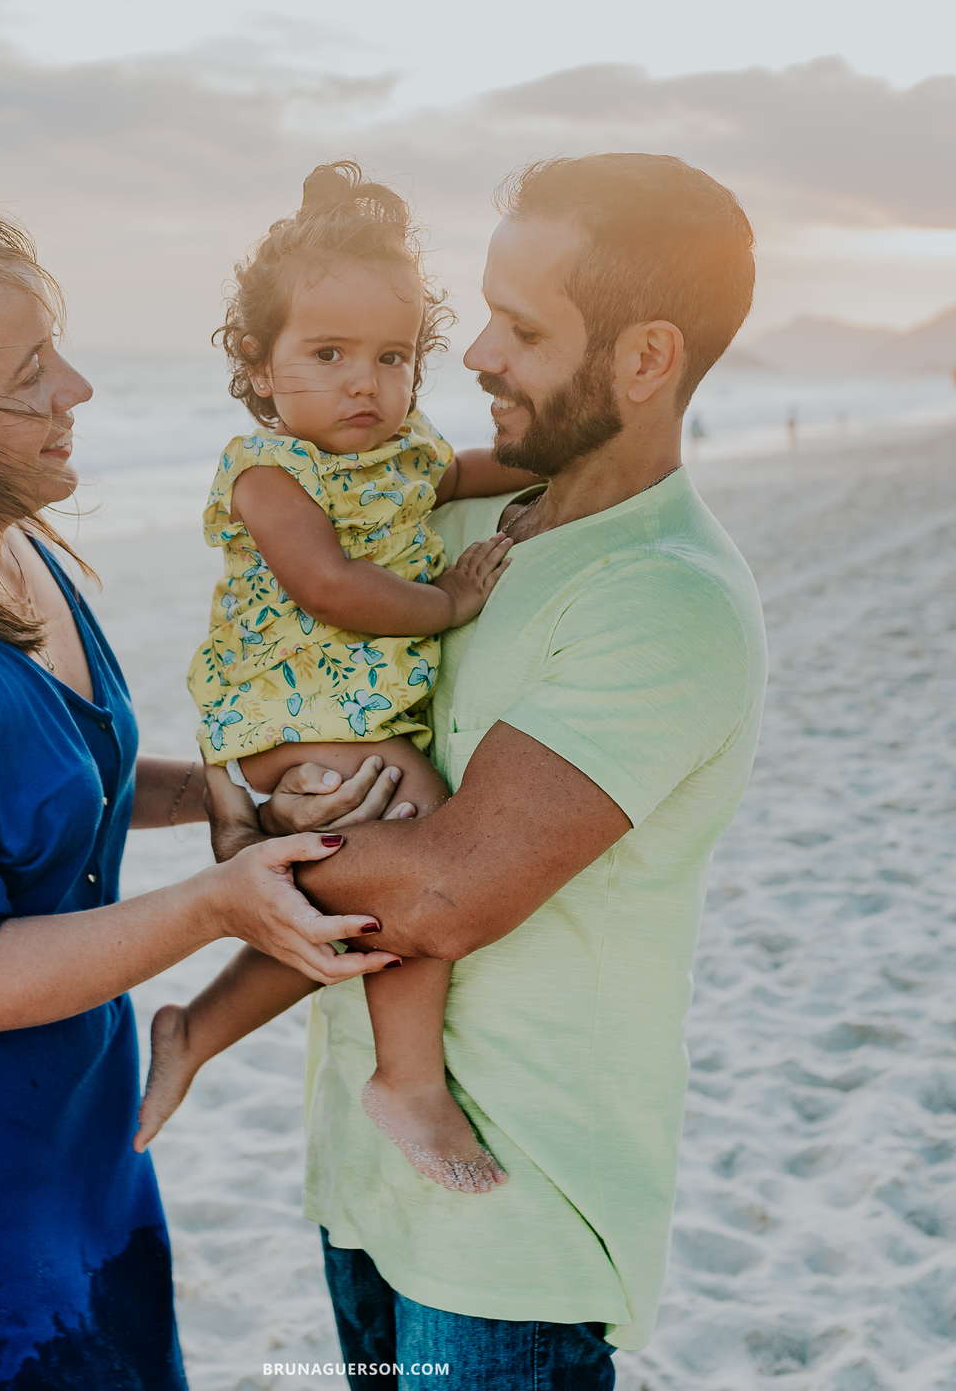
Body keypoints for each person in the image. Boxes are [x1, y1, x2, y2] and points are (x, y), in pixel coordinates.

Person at [0, 201, 399, 1391]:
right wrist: (220, 903)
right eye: (29, 373)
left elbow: (56, 786)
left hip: (67, 1142)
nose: (80, 388)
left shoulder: (15, 547)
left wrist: (237, 797)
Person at [207, 154, 768, 1388]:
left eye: (521, 329)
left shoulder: (665, 600)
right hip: (362, 1173)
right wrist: (240, 802)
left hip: (512, 1217)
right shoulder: (449, 531)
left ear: (643, 358)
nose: (473, 358)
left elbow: (447, 892)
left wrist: (247, 847)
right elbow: (292, 690)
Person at [140, 163, 538, 1192]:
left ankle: (195, 1030)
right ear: (263, 372)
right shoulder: (270, 472)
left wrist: (565, 462)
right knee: (421, 833)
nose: (367, 381)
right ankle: (407, 1077)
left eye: (392, 356)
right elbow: (329, 584)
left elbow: (458, 473)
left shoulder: (402, 453)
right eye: (328, 354)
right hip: (287, 709)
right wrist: (452, 600)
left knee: (346, 902)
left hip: (342, 714)